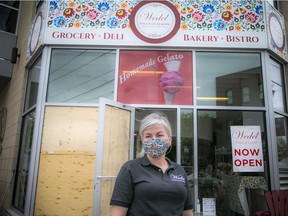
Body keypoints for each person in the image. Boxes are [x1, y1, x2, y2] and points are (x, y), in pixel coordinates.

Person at [110, 112, 194, 216]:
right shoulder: (130, 168)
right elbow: (117, 212)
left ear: (169, 139)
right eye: (148, 136)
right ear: (142, 140)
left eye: (159, 135)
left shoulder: (179, 170)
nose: (154, 139)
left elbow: (188, 212)